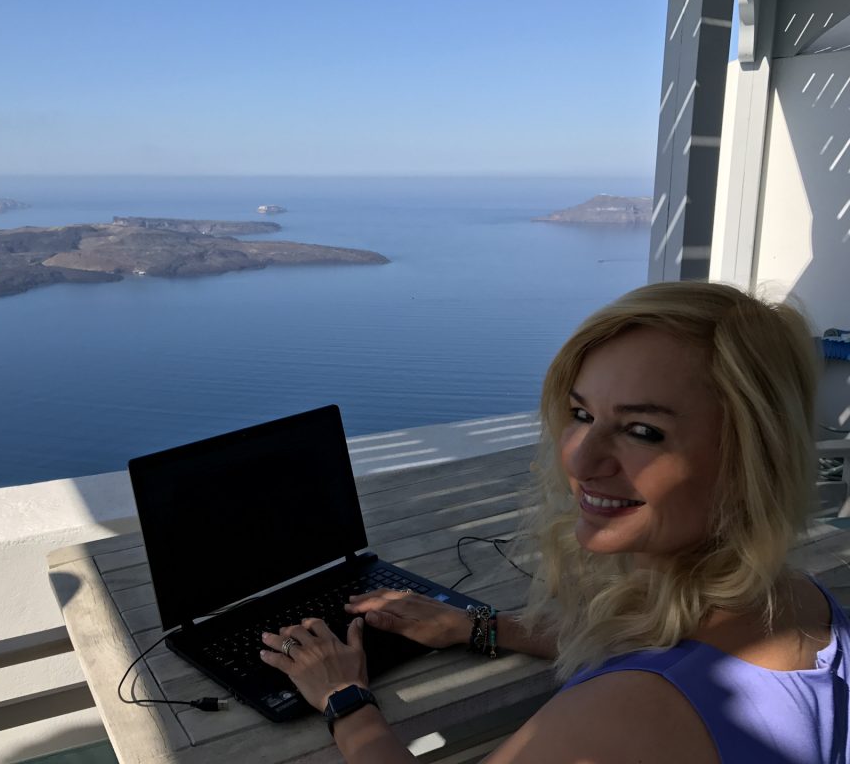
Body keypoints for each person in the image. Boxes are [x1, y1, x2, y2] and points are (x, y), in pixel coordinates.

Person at [260, 281, 849, 763]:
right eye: (581, 413)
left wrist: (345, 699)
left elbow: (649, 693)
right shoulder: (796, 603)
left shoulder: (623, 718)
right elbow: (663, 643)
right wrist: (480, 628)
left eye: (644, 430)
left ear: (751, 459)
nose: (579, 458)